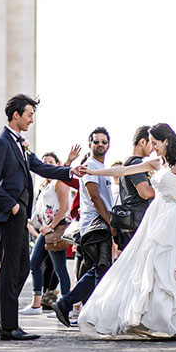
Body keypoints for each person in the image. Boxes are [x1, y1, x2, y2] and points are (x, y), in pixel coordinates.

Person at [67, 123, 176, 340]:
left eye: (155, 143)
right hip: (154, 216)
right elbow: (123, 170)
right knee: (146, 266)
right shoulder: (157, 162)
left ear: (166, 141)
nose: (152, 147)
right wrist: (92, 171)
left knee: (169, 267)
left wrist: (174, 211)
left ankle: (171, 320)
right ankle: (147, 318)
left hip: (170, 217)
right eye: (150, 143)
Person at [0, 94, 85, 341]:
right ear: (16, 115)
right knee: (10, 270)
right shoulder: (1, 142)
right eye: (29, 115)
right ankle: (8, 327)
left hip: (18, 214)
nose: (31, 120)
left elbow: (41, 167)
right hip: (9, 214)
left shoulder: (20, 143)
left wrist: (69, 170)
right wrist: (13, 206)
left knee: (23, 268)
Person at [52, 131, 115, 326]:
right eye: (96, 141)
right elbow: (95, 197)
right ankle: (89, 313)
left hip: (99, 225)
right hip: (96, 226)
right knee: (101, 269)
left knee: (96, 269)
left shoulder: (102, 168)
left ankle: (70, 305)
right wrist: (111, 223)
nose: (100, 144)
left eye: (104, 142)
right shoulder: (90, 167)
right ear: (90, 144)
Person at [21, 152, 72, 315]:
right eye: (45, 163)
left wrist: (50, 226)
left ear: (57, 164)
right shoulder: (44, 186)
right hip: (46, 229)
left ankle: (66, 306)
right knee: (34, 264)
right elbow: (39, 210)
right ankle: (36, 304)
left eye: (51, 162)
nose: (47, 165)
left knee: (60, 269)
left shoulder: (59, 183)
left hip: (56, 228)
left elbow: (64, 208)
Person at [116, 126, 154, 250]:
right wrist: (164, 190)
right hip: (138, 223)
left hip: (131, 222)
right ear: (142, 142)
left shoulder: (127, 163)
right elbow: (145, 193)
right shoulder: (136, 164)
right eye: (151, 143)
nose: (153, 148)